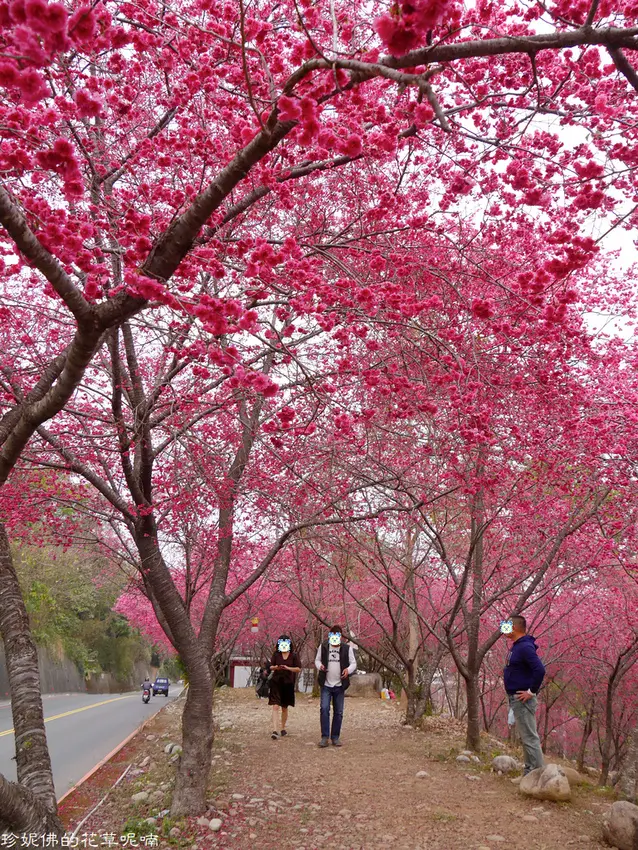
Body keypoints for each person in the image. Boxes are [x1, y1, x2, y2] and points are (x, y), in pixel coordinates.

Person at [502, 614, 546, 775]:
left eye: (506, 625)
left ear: (514, 627)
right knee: (526, 737)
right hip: (516, 699)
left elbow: (540, 670)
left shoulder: (525, 647)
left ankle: (537, 774)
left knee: (529, 737)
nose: (504, 629)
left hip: (523, 700)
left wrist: (531, 692)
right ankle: (529, 771)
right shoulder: (517, 646)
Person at [315, 624, 356, 748]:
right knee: (324, 709)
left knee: (338, 712)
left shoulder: (346, 648)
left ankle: (335, 737)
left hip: (339, 685)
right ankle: (324, 737)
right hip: (326, 684)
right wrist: (320, 666)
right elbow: (317, 660)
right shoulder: (323, 646)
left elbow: (353, 663)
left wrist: (348, 670)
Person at [268, 635, 301, 740]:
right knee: (275, 706)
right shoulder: (276, 655)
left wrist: (288, 668)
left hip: (288, 683)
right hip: (276, 682)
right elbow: (271, 666)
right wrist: (277, 668)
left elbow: (298, 668)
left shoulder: (294, 655)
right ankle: (275, 730)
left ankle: (282, 728)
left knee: (284, 708)